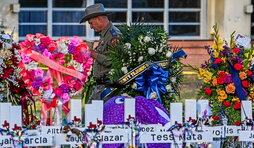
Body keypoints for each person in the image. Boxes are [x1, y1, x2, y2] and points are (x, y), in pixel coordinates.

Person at [80, 3, 121, 103]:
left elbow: (116, 62)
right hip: (101, 87)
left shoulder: (113, 35)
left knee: (92, 116)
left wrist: (94, 54)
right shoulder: (105, 34)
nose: (90, 27)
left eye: (91, 23)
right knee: (90, 116)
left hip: (109, 89)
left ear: (98, 19)